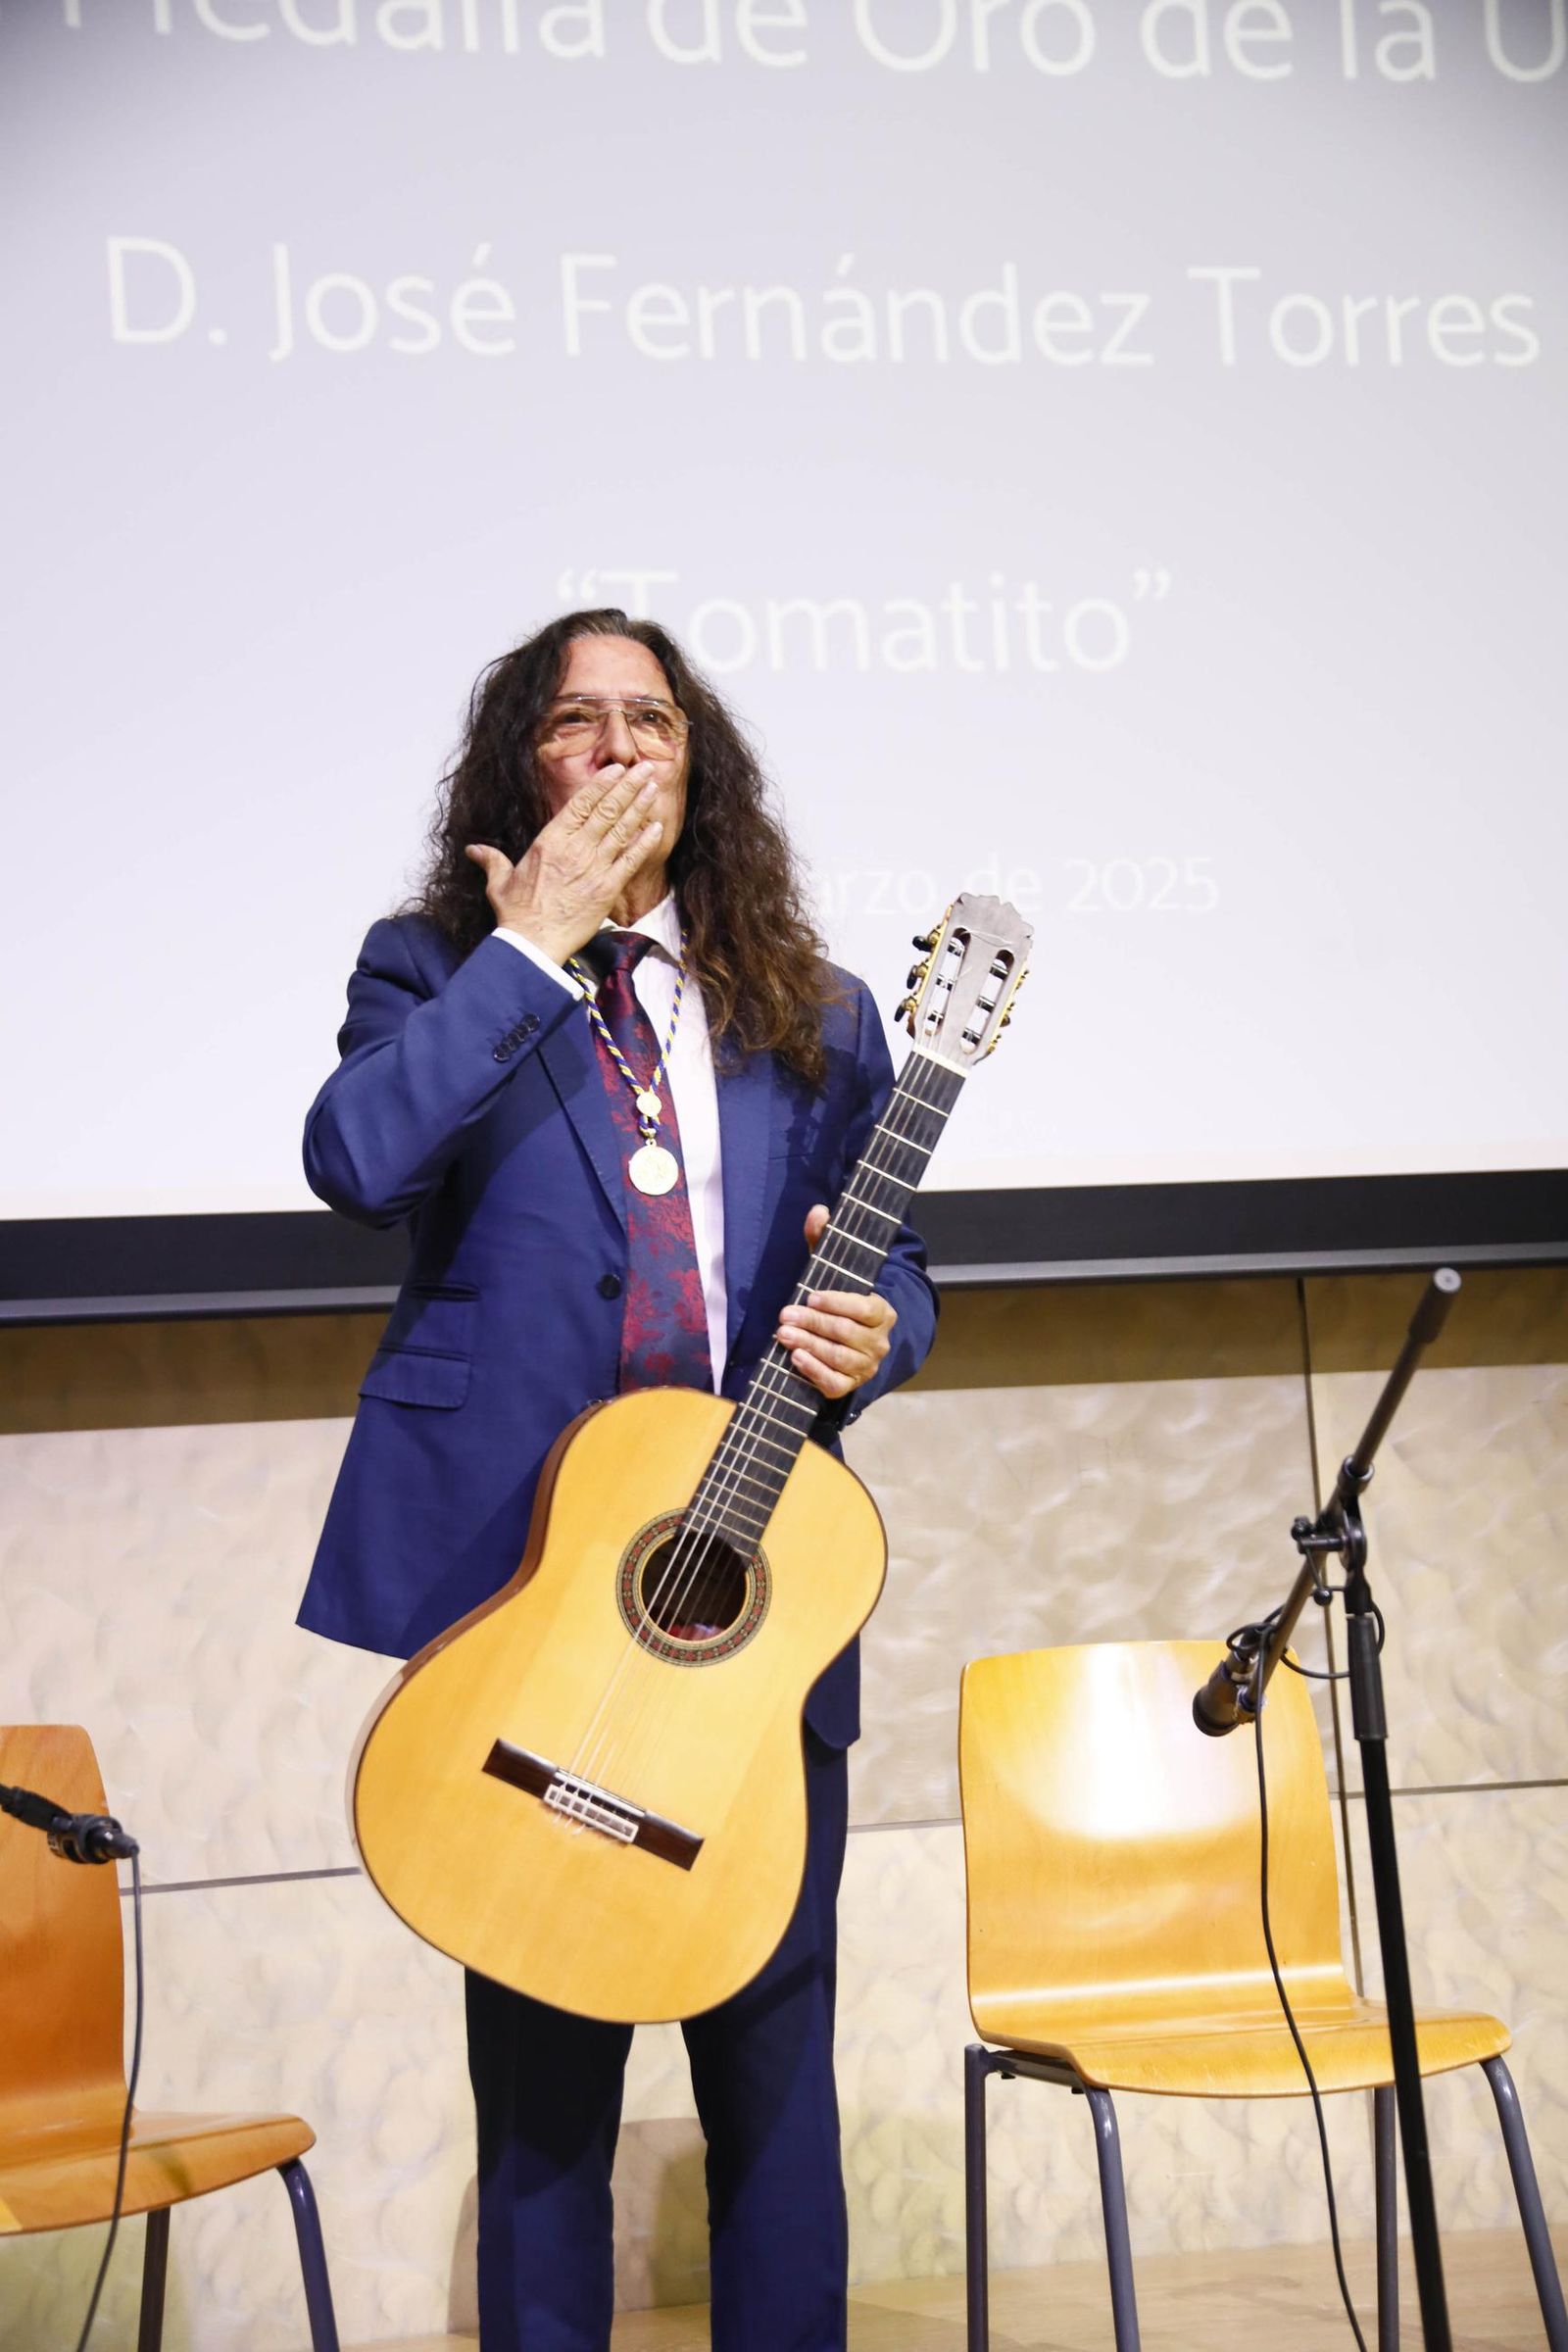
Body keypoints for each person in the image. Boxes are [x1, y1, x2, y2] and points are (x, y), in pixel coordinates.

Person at [297, 609, 939, 2352]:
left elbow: (897, 1266)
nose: (614, 750)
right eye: (576, 724)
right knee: (545, 2107)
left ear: (694, 764)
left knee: (774, 2083)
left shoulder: (812, 1006)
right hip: (526, 1604)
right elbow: (353, 1158)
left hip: (739, 1608)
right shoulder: (433, 969)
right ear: (527, 764)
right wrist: (530, 950)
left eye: (648, 721)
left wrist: (879, 1329)